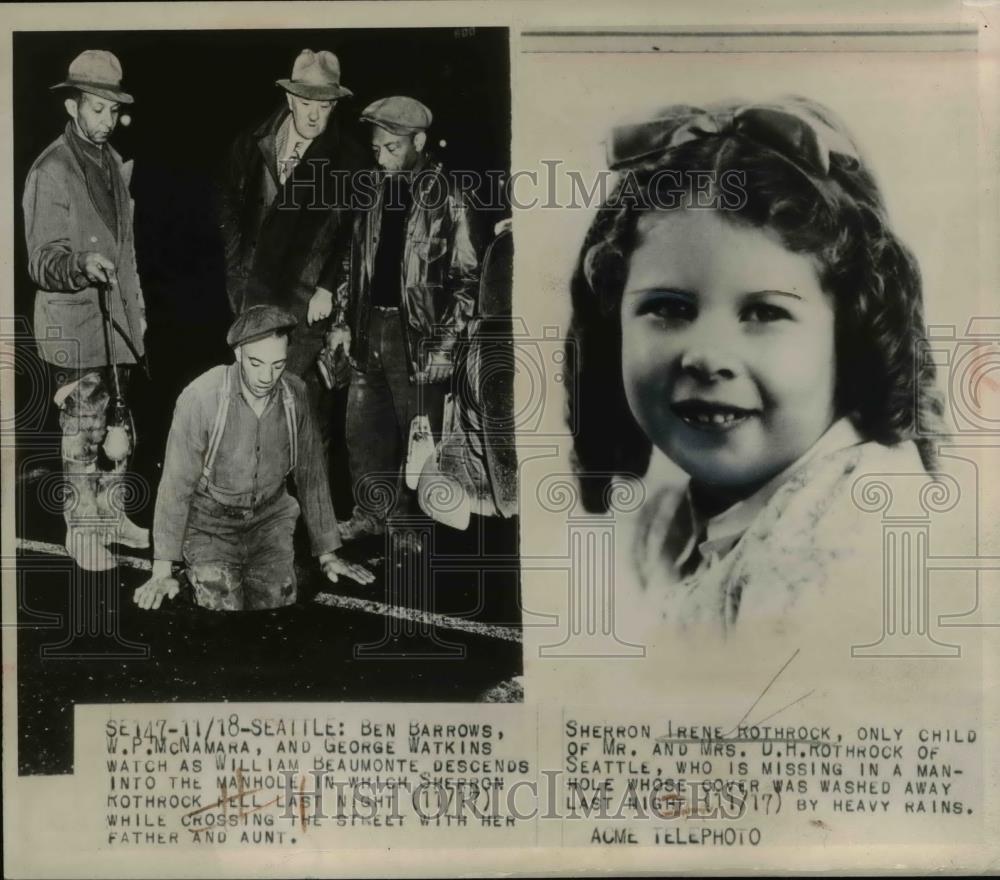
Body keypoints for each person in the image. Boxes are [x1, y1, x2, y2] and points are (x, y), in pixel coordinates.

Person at [566, 96, 943, 634]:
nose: (707, 357)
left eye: (764, 312)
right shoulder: (668, 523)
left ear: (852, 333)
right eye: (669, 309)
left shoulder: (848, 539)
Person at [133, 306, 373, 612]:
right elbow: (176, 485)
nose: (266, 377)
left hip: (270, 524)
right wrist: (162, 570)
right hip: (211, 525)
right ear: (238, 354)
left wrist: (328, 554)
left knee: (274, 606)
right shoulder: (202, 398)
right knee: (221, 609)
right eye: (256, 363)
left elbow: (311, 473)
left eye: (277, 365)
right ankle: (193, 574)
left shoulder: (294, 394)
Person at [329, 96, 480, 541]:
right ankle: (370, 514)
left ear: (419, 142)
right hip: (367, 327)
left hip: (417, 337)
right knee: (364, 431)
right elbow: (350, 266)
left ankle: (412, 523)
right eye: (377, 149)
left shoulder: (450, 195)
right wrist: (341, 320)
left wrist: (445, 344)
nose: (381, 157)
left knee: (419, 435)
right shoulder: (371, 191)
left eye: (391, 148)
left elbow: (469, 279)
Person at [23, 49, 148, 571]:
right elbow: (40, 259)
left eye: (111, 109)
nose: (104, 120)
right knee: (83, 429)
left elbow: (127, 251)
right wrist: (79, 263)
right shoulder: (51, 170)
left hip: (114, 321)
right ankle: (82, 530)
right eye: (94, 108)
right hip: (73, 321)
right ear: (72, 105)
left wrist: (137, 312)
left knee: (120, 427)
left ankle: (112, 515)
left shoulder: (113, 164)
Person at [217, 49, 365, 448]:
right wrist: (236, 278)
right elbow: (229, 211)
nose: (314, 116)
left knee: (304, 415)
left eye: (324, 106)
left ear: (335, 106)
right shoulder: (252, 145)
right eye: (305, 104)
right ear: (288, 100)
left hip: (306, 306)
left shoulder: (349, 161)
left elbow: (354, 233)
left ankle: (306, 509)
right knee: (249, 409)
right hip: (253, 301)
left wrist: (329, 286)